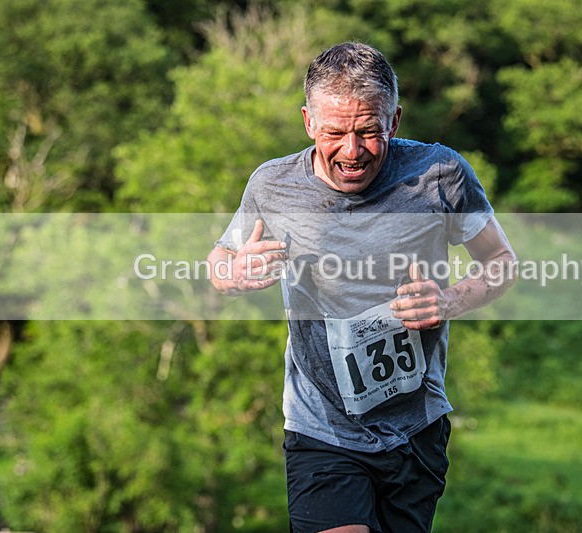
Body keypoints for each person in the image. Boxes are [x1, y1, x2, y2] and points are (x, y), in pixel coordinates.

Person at [208, 42, 516, 533]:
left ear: (394, 120)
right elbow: (219, 262)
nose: (352, 152)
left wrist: (451, 298)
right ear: (309, 122)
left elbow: (501, 261)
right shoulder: (272, 186)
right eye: (335, 133)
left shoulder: (439, 175)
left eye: (369, 132)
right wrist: (233, 272)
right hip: (320, 427)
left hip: (415, 426)